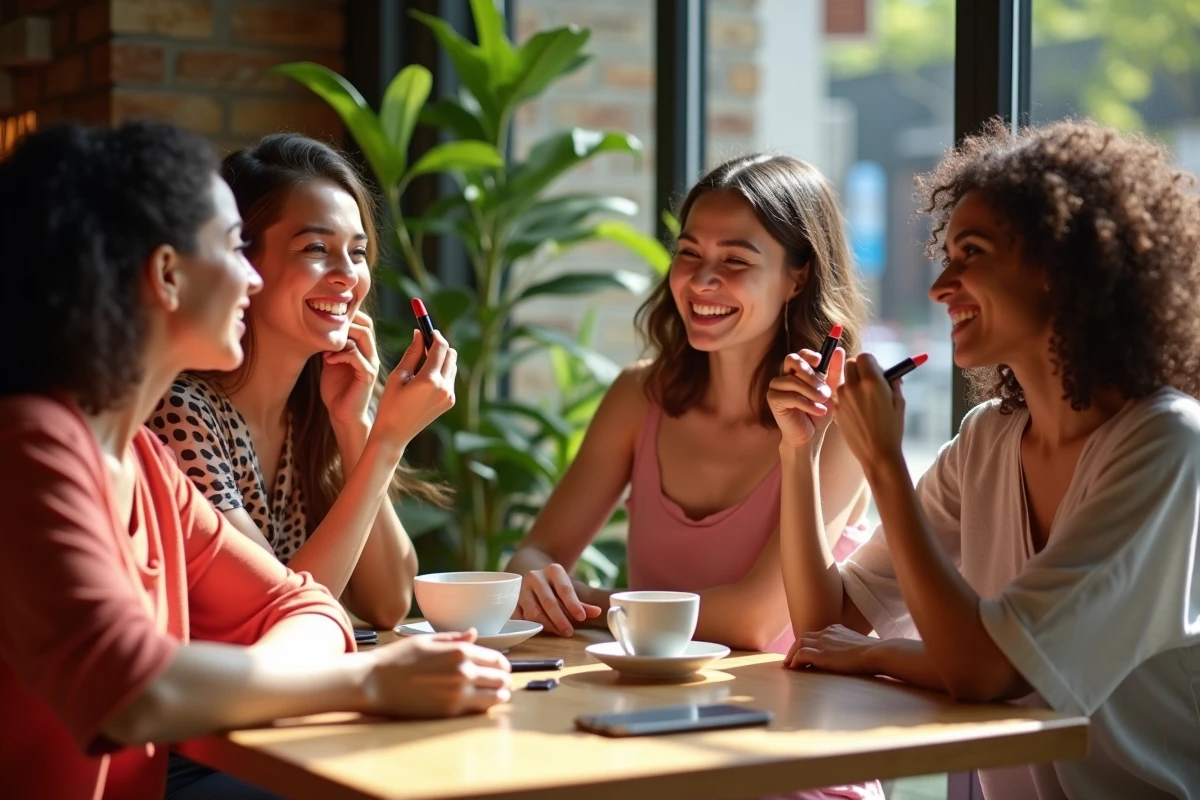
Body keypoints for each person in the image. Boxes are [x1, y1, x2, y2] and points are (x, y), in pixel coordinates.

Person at [0, 121, 510, 800]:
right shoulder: (32, 447)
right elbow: (133, 693)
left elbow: (312, 608)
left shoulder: (146, 465)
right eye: (234, 248)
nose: (249, 275)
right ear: (167, 274)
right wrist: (369, 680)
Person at [770, 119, 1200, 798]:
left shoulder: (1166, 445)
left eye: (971, 252)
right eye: (945, 255)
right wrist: (797, 452)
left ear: (1064, 269)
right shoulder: (987, 441)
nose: (942, 285)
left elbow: (990, 668)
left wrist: (884, 464)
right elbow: (825, 627)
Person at [507, 154, 871, 654]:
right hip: (647, 696)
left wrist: (587, 600)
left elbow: (754, 623)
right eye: (688, 253)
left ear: (798, 277)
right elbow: (535, 551)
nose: (701, 281)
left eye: (736, 260)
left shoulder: (842, 420)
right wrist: (534, 579)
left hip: (794, 714)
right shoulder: (639, 396)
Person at [148, 133, 445, 632]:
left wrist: (356, 427)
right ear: (244, 264)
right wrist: (388, 442)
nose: (347, 275)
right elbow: (277, 612)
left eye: (357, 251)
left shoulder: (313, 410)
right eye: (315, 248)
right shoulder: (181, 415)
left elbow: (389, 603)